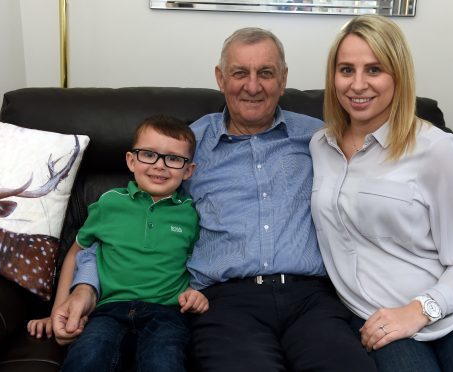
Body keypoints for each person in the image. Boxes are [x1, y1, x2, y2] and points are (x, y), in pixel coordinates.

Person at [51, 27, 377, 372]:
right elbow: (123, 226)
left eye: (265, 73)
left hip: (312, 298)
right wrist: (83, 288)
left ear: (282, 80)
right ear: (221, 79)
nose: (252, 86)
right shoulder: (185, 148)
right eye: (240, 73)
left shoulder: (321, 139)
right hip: (226, 302)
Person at [310, 14, 453, 371]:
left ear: (398, 75)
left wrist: (420, 310)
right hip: (377, 317)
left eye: (374, 69)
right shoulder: (319, 145)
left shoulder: (435, 149)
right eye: (346, 70)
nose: (358, 84)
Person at [28, 115, 208, 371]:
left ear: (188, 170)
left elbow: (196, 265)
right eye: (149, 154)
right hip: (107, 309)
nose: (160, 166)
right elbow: (75, 254)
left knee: (164, 362)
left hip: (166, 312)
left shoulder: (190, 214)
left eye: (174, 159)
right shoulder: (110, 203)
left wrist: (195, 294)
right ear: (131, 161)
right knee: (87, 357)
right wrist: (58, 309)